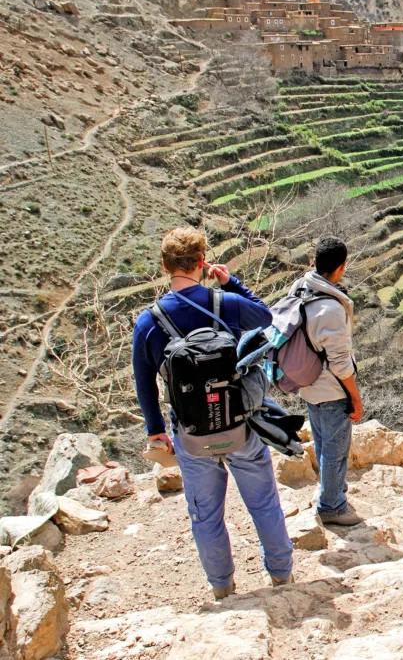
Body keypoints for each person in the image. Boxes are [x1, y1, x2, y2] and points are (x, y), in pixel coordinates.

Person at [131, 227, 293, 600]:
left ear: (164, 266)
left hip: (190, 434)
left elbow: (145, 385)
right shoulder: (226, 304)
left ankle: (223, 589)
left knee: (205, 515)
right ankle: (282, 579)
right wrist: (231, 282)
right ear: (202, 263)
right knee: (263, 502)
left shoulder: (148, 322)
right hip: (238, 424)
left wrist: (156, 432)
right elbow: (266, 318)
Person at [292, 236, 364, 527]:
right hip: (330, 387)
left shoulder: (300, 288)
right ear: (342, 266)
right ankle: (332, 506)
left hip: (307, 382)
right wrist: (355, 398)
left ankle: (331, 493)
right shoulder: (331, 309)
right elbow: (340, 362)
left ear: (315, 262)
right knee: (335, 450)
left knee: (323, 444)